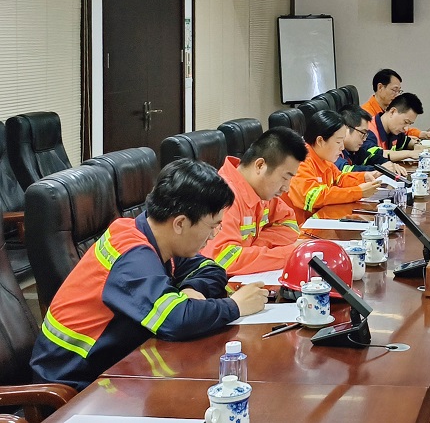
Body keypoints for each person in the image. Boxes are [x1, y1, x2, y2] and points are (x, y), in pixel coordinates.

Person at [30, 159, 269, 391]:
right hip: (73, 385)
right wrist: (235, 306)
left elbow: (211, 269)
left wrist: (192, 289)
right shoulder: (132, 256)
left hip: (117, 366)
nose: (214, 235)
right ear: (180, 223)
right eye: (212, 226)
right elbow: (175, 320)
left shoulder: (155, 236)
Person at [202, 127, 308, 275]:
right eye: (285, 177)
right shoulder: (224, 197)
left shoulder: (261, 191)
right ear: (260, 165)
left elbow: (289, 224)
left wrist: (256, 246)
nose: (286, 187)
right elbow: (223, 260)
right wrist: (289, 253)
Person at [284, 110, 381, 223]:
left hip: (318, 221)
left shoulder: (323, 159)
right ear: (320, 141)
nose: (342, 148)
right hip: (300, 228)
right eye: (338, 142)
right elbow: (314, 198)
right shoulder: (301, 161)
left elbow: (339, 179)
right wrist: (358, 192)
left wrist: (364, 177)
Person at [361, 68, 430, 140]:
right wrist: (407, 139)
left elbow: (402, 128)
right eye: (394, 90)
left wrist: (421, 134)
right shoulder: (365, 114)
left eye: (399, 91)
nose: (397, 95)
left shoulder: (387, 109)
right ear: (380, 87)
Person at [338, 105, 407, 176]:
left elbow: (370, 158)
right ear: (345, 129)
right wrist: (379, 169)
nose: (364, 139)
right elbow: (345, 171)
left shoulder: (354, 151)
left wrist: (389, 164)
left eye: (366, 134)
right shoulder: (335, 151)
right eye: (362, 133)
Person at [360, 92, 424, 164]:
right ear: (392, 112)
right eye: (406, 122)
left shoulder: (394, 130)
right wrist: (409, 154)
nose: (406, 129)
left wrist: (416, 145)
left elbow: (406, 141)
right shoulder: (367, 130)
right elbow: (376, 154)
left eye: (410, 124)